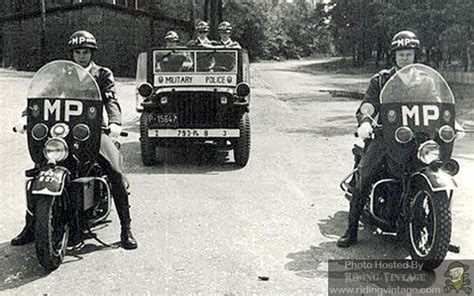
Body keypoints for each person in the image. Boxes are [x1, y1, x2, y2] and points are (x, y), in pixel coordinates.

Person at [12, 30, 138, 250]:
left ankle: (126, 228)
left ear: (92, 53)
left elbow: (111, 100)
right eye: (78, 52)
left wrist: (115, 122)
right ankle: (31, 225)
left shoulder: (102, 74)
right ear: (72, 53)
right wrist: (26, 117)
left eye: (85, 52)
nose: (81, 56)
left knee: (115, 171)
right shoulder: (61, 75)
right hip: (62, 131)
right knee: (41, 167)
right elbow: (43, 97)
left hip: (92, 131)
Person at [336, 30, 420, 248]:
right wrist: (365, 121)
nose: (405, 58)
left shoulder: (425, 81)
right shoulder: (381, 80)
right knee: (364, 177)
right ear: (394, 55)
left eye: (409, 54)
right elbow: (367, 106)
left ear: (414, 55)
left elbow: (437, 104)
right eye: (401, 54)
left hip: (416, 139)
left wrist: (451, 122)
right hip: (385, 138)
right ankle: (351, 230)